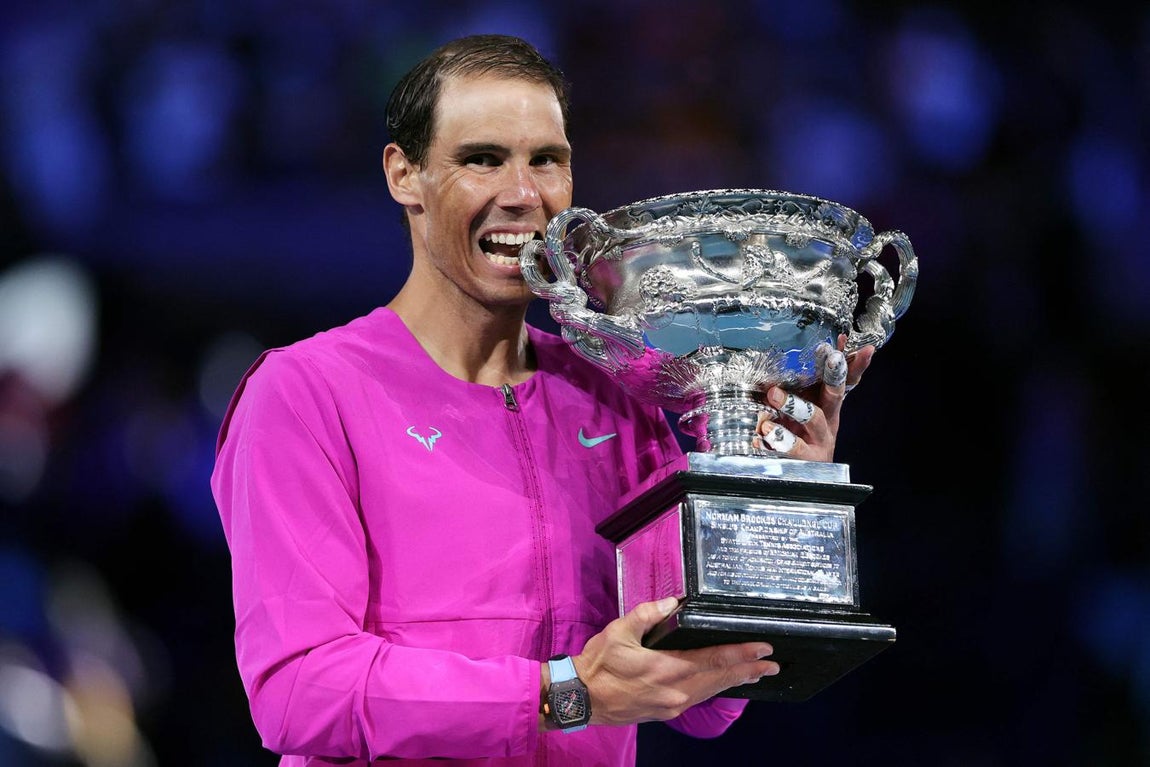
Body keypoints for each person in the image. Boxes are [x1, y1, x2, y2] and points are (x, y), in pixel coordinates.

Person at [211, 34, 872, 766]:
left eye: (546, 161)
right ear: (405, 174)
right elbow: (300, 687)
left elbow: (706, 702)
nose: (523, 195)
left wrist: (765, 492)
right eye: (483, 159)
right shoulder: (305, 393)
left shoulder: (614, 398)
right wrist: (565, 692)